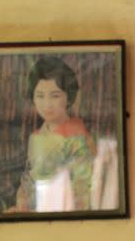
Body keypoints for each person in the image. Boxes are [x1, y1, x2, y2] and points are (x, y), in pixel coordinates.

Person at [14, 56, 96, 212]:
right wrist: (22, 204)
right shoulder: (36, 136)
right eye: (40, 96)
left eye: (55, 95)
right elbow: (27, 180)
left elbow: (83, 188)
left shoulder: (77, 136)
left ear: (68, 97)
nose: (47, 104)